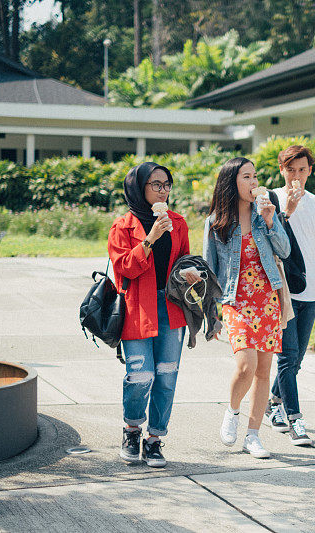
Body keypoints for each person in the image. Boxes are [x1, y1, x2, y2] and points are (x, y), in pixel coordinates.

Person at [108, 162, 202, 467]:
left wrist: (192, 272)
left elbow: (184, 259)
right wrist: (150, 238)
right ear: (139, 188)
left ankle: (155, 439)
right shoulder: (123, 226)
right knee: (140, 374)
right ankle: (132, 429)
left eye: (166, 185)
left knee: (166, 376)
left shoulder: (178, 222)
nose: (163, 190)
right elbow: (124, 268)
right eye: (156, 185)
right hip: (137, 308)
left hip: (172, 307)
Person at [203, 157, 290, 458]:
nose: (254, 182)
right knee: (246, 365)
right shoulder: (215, 221)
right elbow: (209, 270)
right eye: (246, 177)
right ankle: (232, 410)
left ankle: (253, 436)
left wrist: (271, 221)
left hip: (267, 298)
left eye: (255, 176)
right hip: (235, 300)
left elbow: (285, 251)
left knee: (264, 370)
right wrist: (211, 315)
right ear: (231, 182)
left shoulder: (264, 212)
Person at [264, 145, 315, 446]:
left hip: (310, 289)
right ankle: (295, 420)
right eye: (290, 170)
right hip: (279, 290)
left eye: (302, 170)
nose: (296, 176)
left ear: (309, 171)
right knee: (286, 358)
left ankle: (273, 402)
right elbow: (265, 241)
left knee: (297, 360)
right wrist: (287, 211)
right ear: (281, 170)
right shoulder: (270, 200)